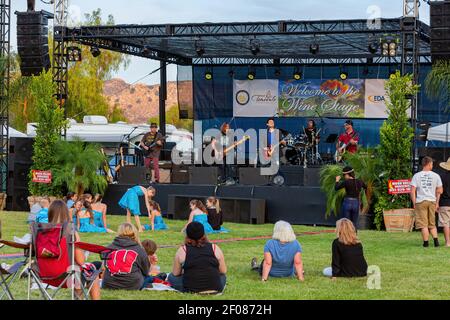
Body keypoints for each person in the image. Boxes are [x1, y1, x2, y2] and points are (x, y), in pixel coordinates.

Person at [47, 200, 101, 300]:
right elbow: (81, 261)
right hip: (66, 276)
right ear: (65, 214)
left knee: (77, 269)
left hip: (45, 274)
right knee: (90, 271)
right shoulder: (70, 231)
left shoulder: (41, 231)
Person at [168, 222, 227, 293]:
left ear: (187, 235)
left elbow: (176, 273)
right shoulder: (215, 248)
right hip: (215, 287)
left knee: (171, 277)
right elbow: (223, 271)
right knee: (223, 277)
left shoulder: (182, 250)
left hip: (190, 288)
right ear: (203, 234)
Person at [102, 223, 152, 290]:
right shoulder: (139, 250)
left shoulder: (108, 248)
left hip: (109, 284)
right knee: (149, 278)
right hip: (132, 285)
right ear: (135, 233)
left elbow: (104, 268)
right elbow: (146, 271)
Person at [410, 156, 443, 247]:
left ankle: (426, 244)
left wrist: (414, 203)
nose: (432, 165)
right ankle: (436, 243)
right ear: (428, 164)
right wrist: (437, 203)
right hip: (432, 201)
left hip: (420, 202)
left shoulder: (416, 175)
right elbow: (439, 191)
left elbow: (412, 191)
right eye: (432, 163)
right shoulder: (436, 176)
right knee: (432, 223)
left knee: (423, 224)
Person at [437, 158, 450, 247]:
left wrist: (436, 202)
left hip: (444, 202)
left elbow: (439, 191)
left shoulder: (441, 176)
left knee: (445, 223)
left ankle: (448, 243)